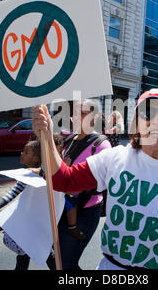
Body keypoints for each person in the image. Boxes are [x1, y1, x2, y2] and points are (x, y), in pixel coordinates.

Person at [33, 88, 158, 270]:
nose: (157, 121)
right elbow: (64, 181)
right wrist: (48, 137)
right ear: (136, 123)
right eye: (149, 113)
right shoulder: (115, 158)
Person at [49, 99, 111, 269]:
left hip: (86, 211)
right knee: (55, 258)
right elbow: (57, 170)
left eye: (82, 113)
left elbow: (101, 179)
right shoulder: (69, 140)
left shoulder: (101, 145)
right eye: (74, 112)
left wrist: (69, 171)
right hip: (62, 206)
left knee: (66, 262)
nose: (75, 116)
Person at [0, 135, 64, 270]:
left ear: (36, 158)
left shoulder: (43, 173)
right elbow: (14, 192)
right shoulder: (27, 175)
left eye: (26, 152)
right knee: (26, 257)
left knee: (47, 254)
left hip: (39, 224)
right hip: (30, 224)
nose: (22, 154)